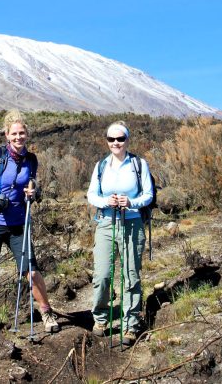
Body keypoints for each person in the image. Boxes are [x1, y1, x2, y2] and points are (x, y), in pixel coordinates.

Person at [0, 110, 59, 348]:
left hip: (19, 224)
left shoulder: (31, 159)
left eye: (22, 133)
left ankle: (46, 312)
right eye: (14, 134)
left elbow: (32, 187)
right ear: (7, 135)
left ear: (27, 134)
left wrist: (34, 193)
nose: (18, 137)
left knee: (31, 271)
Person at [86, 121, 154, 346]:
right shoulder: (101, 165)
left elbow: (149, 195)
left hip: (132, 224)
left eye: (120, 139)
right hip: (106, 224)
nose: (116, 143)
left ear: (127, 140)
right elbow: (92, 195)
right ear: (106, 141)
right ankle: (101, 319)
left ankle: (130, 325)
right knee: (102, 275)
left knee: (130, 275)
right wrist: (106, 201)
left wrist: (131, 202)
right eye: (111, 139)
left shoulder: (138, 164)